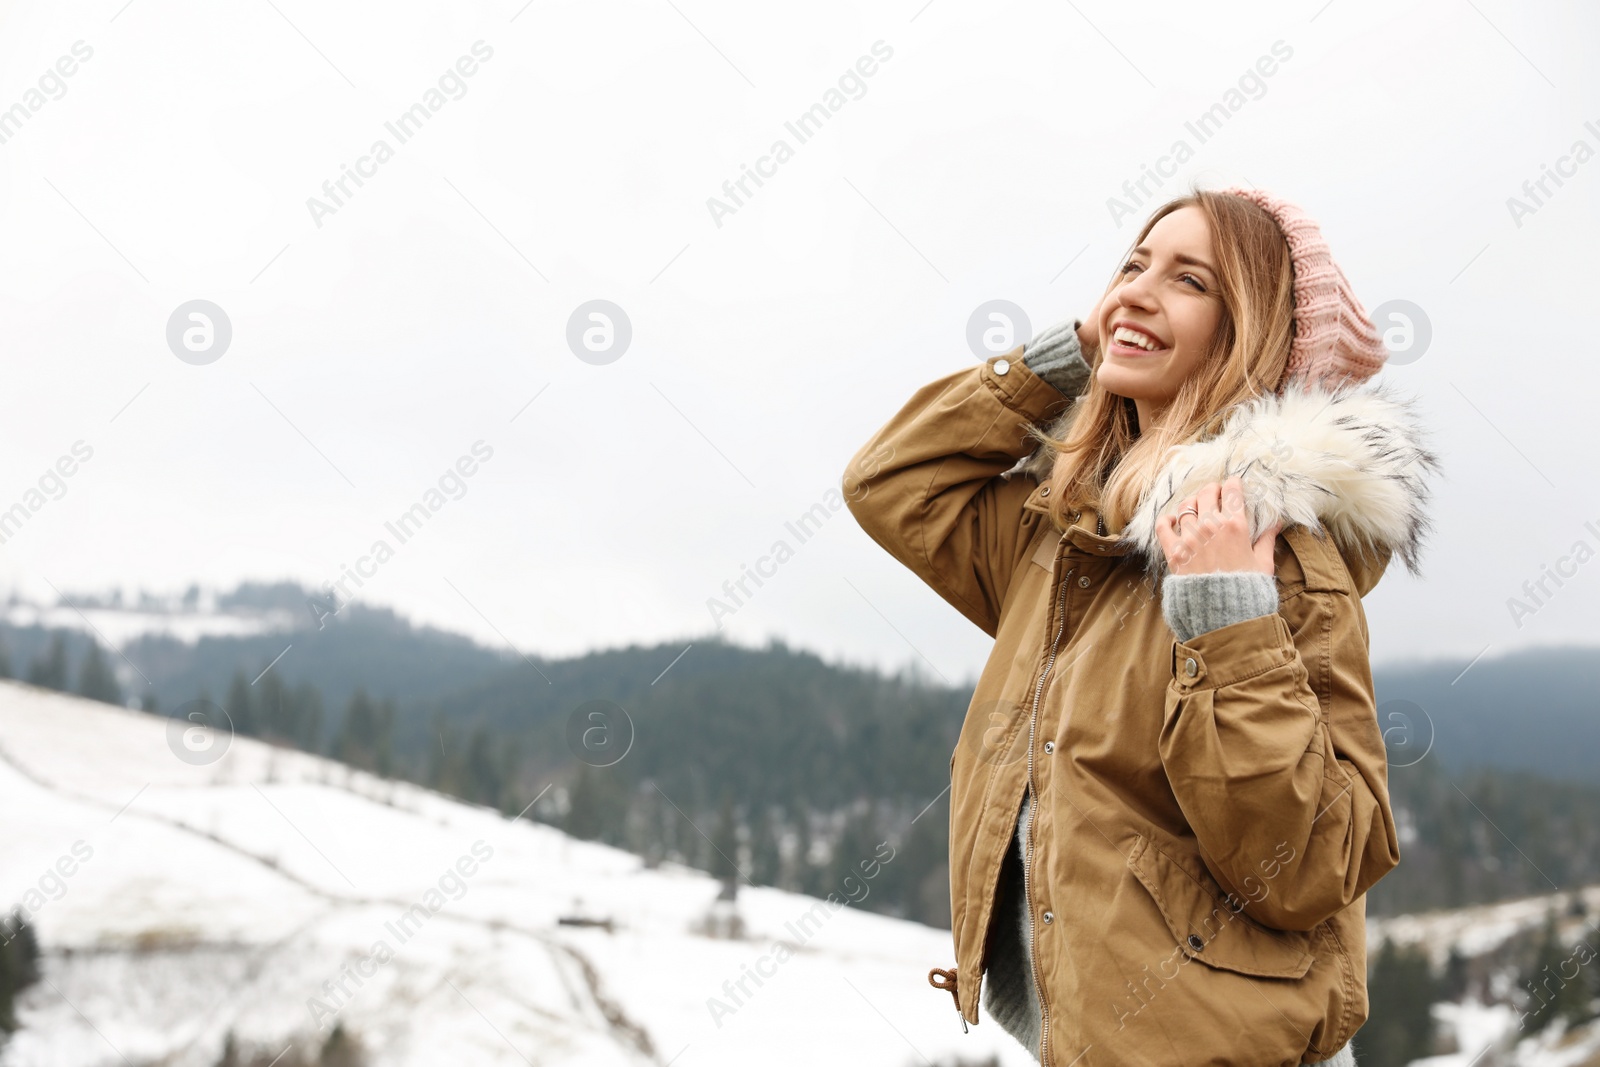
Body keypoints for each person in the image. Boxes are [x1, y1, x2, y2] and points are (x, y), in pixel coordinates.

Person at [843, 183, 1438, 1066]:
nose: (1137, 289)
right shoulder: (1067, 541)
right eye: (1132, 265)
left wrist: (1227, 619)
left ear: (1256, 334)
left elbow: (1309, 862)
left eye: (1190, 280)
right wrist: (1079, 350)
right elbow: (893, 481)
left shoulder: (1283, 563)